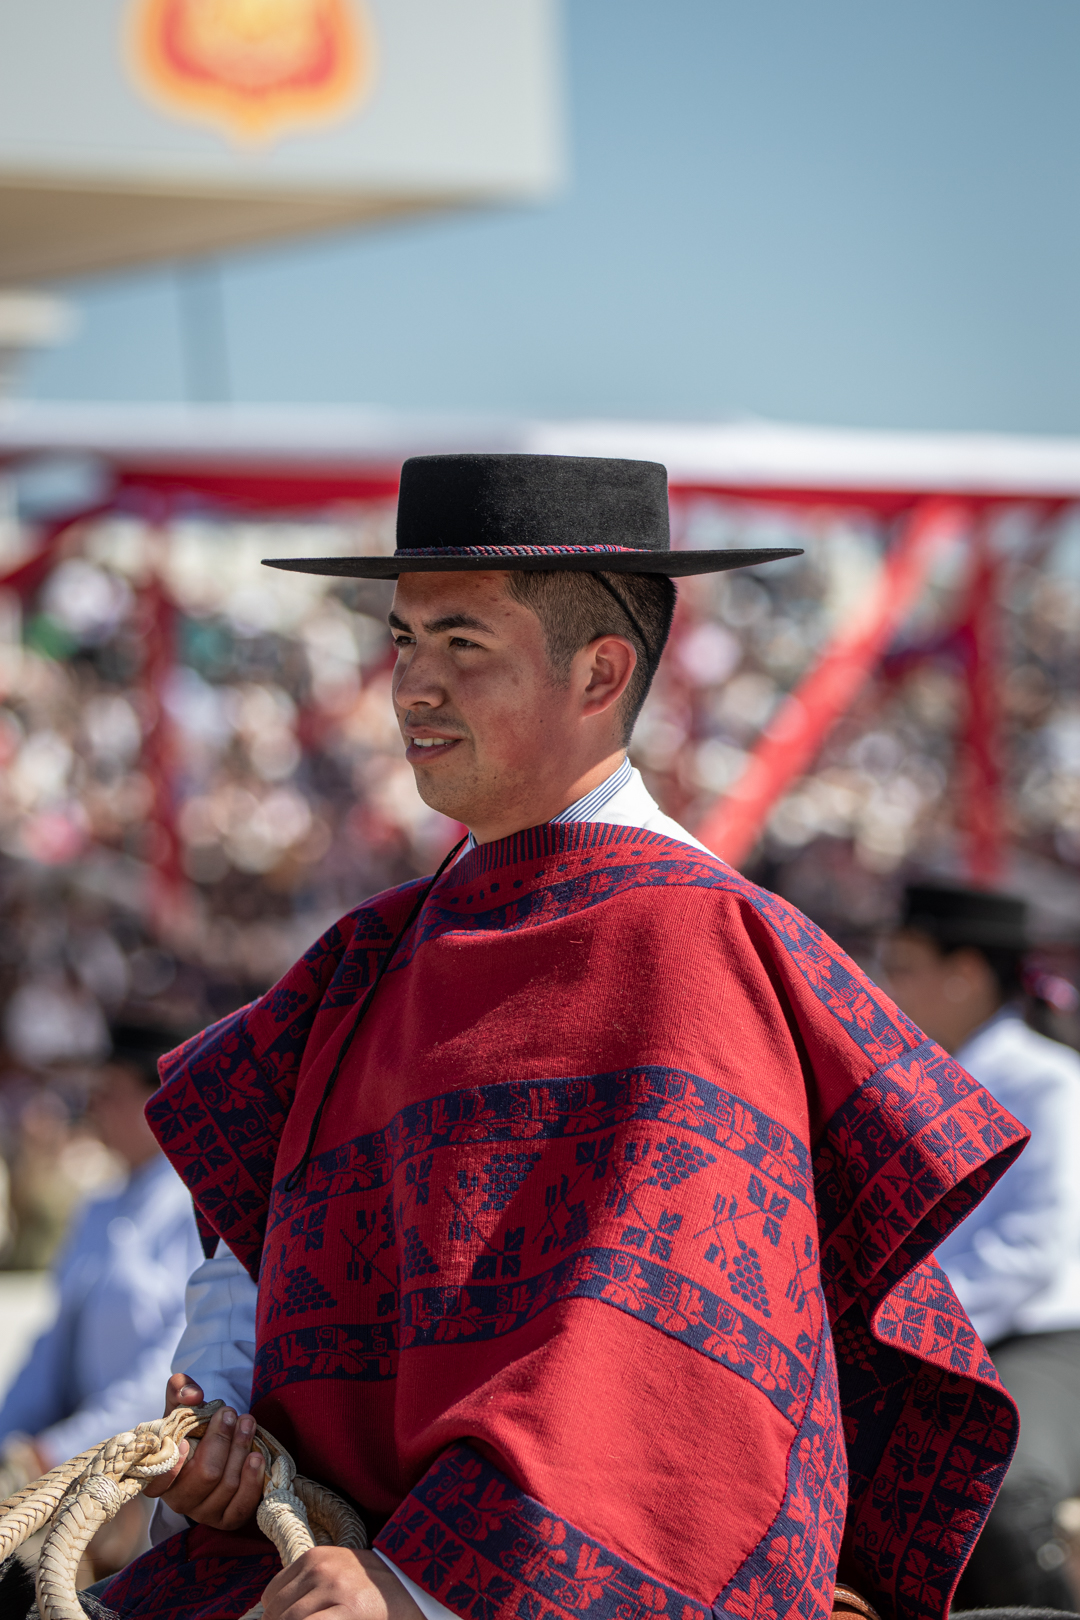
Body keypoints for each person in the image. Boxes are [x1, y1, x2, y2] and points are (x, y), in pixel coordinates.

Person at [99, 456, 1028, 1620]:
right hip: (325, 1559)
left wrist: (415, 1588)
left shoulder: (699, 948)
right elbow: (252, 1247)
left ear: (601, 671)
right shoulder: (364, 955)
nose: (410, 688)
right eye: (402, 641)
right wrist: (222, 1439)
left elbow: (656, 1362)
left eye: (462, 646)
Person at [883, 883, 1080, 1612]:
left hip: (1044, 1341)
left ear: (965, 974)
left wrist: (903, 1317)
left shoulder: (1048, 1081)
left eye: (902, 966)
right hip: (924, 1338)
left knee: (995, 1488)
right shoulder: (906, 1078)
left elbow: (1031, 1250)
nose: (882, 985)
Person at [0, 1025, 203, 1575]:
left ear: (153, 1102)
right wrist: (11, 1440)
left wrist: (57, 1450)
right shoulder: (97, 1207)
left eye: (109, 1091)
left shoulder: (195, 1207)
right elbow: (51, 1343)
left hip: (145, 1474)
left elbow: (174, 1359)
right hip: (69, 1464)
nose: (94, 1105)